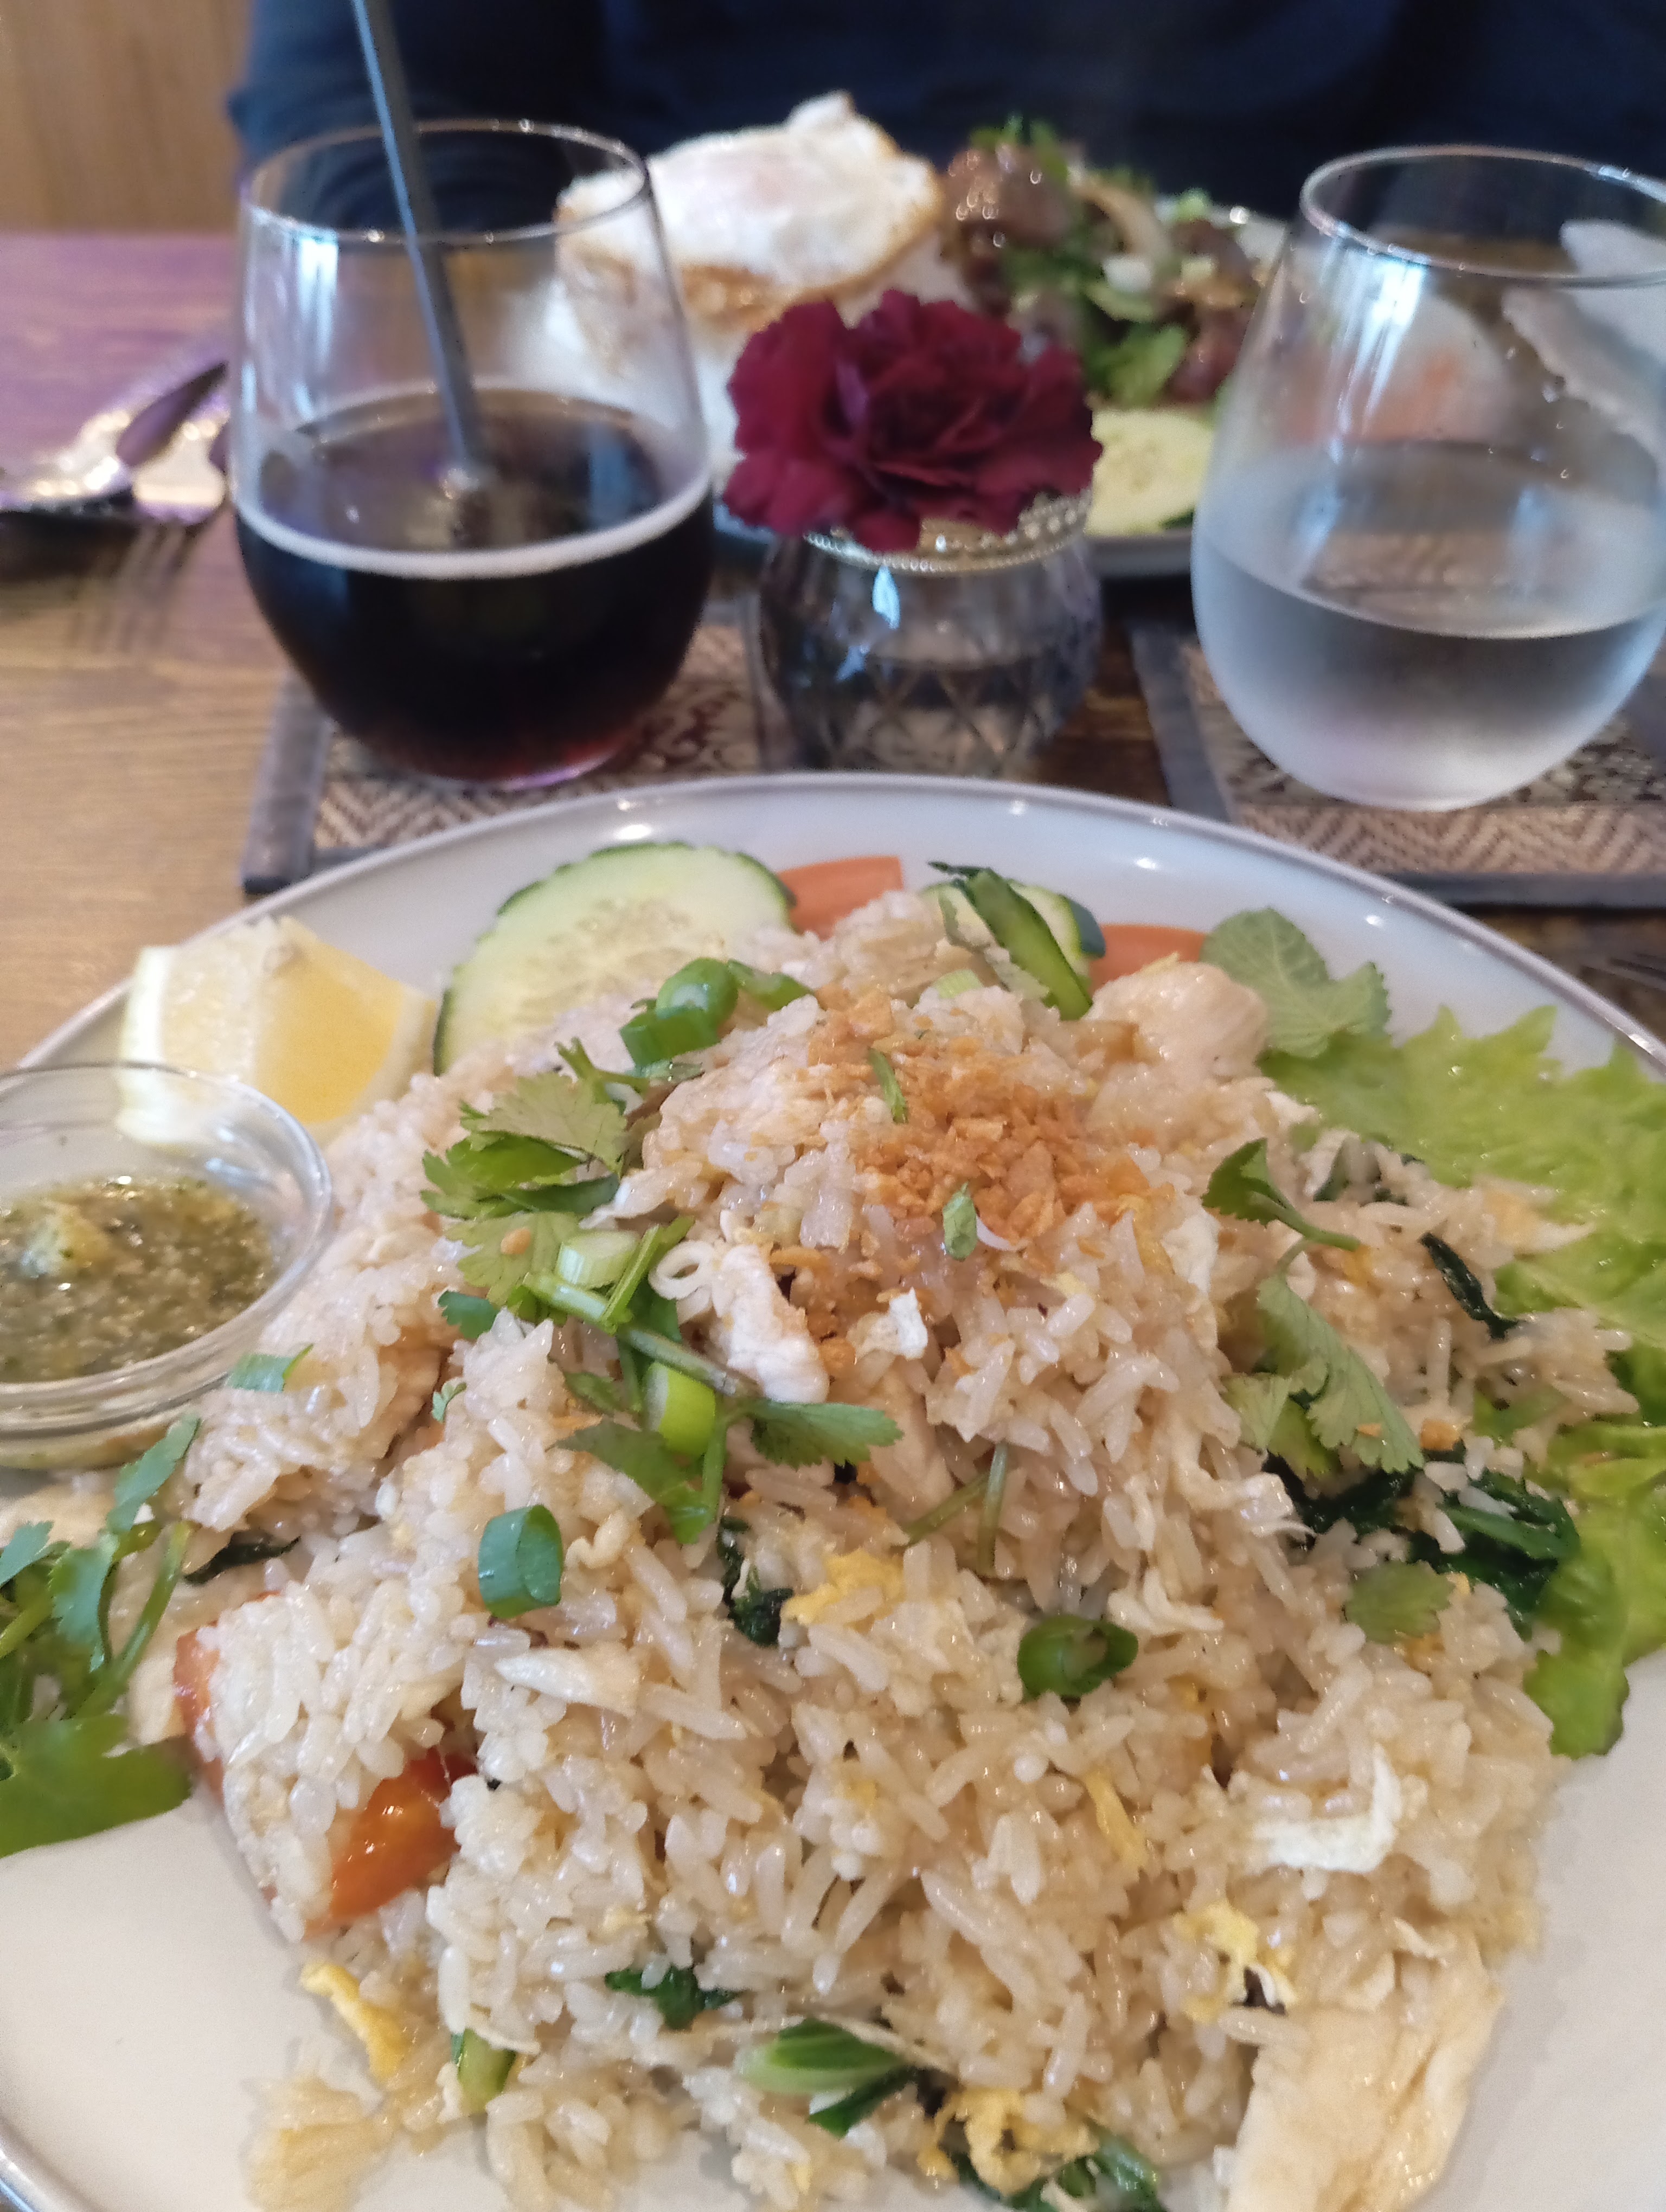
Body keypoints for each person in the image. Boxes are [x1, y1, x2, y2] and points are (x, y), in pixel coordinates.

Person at [230, 0, 1666, 217]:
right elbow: (357, 107)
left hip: (1300, 525)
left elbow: (1584, 121)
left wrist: (1400, 329)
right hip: (678, 511)